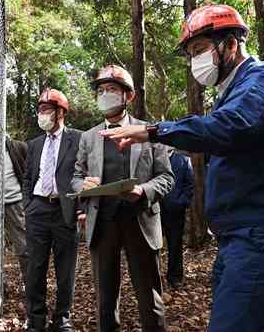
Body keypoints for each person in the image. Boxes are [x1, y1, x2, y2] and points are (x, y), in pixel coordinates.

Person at [100, 4, 264, 332]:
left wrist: (154, 130)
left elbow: (231, 126)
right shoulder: (232, 91)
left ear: (231, 45)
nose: (195, 62)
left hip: (263, 238)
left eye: (200, 50)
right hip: (237, 237)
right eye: (190, 54)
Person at [70, 65, 174, 332]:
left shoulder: (150, 132)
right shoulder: (89, 137)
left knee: (149, 296)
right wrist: (83, 184)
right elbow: (75, 176)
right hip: (102, 222)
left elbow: (166, 177)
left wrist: (143, 191)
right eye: (101, 90)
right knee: (105, 296)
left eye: (112, 90)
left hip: (140, 220)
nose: (105, 95)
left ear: (128, 96)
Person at [23, 88, 82, 332]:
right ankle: (36, 319)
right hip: (38, 209)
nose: (41, 115)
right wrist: (29, 205)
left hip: (64, 210)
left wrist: (80, 207)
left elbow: (84, 174)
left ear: (60, 112)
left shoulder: (78, 139)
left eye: (46, 110)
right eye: (39, 111)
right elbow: (28, 177)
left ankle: (62, 318)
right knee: (35, 267)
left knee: (65, 268)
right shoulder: (34, 144)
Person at [160, 148, 194, 289]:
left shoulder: (184, 160)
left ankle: (175, 277)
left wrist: (181, 203)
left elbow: (190, 184)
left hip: (175, 211)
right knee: (150, 246)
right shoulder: (152, 157)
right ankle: (152, 277)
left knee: (175, 245)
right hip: (153, 210)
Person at [4, 136, 29, 287]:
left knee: (23, 246)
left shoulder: (18, 147)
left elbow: (31, 173)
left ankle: (30, 283)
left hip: (15, 203)